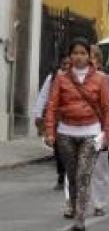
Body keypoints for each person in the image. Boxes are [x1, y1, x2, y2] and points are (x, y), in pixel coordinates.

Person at [43, 38, 109, 231]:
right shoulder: (61, 79)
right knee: (73, 177)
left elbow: (107, 108)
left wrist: (107, 134)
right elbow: (52, 106)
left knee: (84, 176)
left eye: (83, 53)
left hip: (90, 133)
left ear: (89, 56)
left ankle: (80, 222)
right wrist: (50, 132)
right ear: (70, 56)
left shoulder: (100, 79)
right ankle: (75, 208)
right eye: (75, 53)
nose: (79, 57)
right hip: (66, 133)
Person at [89, 45, 109, 216]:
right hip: (77, 129)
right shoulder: (70, 78)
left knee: (99, 169)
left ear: (98, 61)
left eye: (92, 57)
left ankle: (99, 203)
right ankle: (72, 204)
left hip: (100, 131)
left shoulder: (106, 80)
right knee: (74, 170)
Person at [32, 56, 70, 192]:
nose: (66, 66)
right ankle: (61, 175)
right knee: (58, 148)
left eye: (68, 63)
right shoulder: (53, 78)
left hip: (71, 119)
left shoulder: (79, 78)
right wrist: (38, 114)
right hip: (56, 118)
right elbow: (43, 96)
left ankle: (70, 176)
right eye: (64, 63)